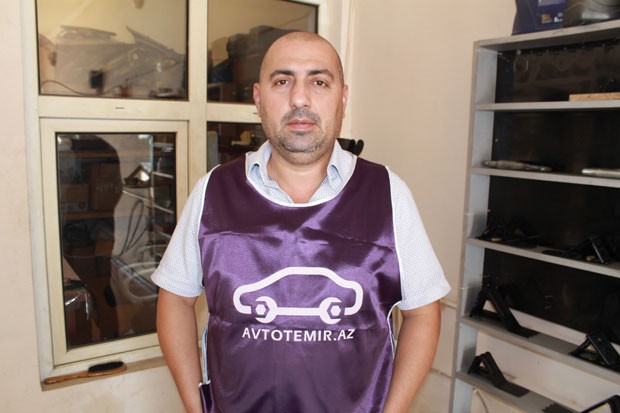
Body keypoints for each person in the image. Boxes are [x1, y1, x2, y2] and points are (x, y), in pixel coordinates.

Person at [153, 31, 450, 413]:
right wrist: (198, 407)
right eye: (282, 81)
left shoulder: (387, 193)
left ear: (342, 98)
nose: (299, 99)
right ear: (259, 99)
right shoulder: (214, 192)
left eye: (319, 82)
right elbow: (175, 300)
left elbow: (423, 312)